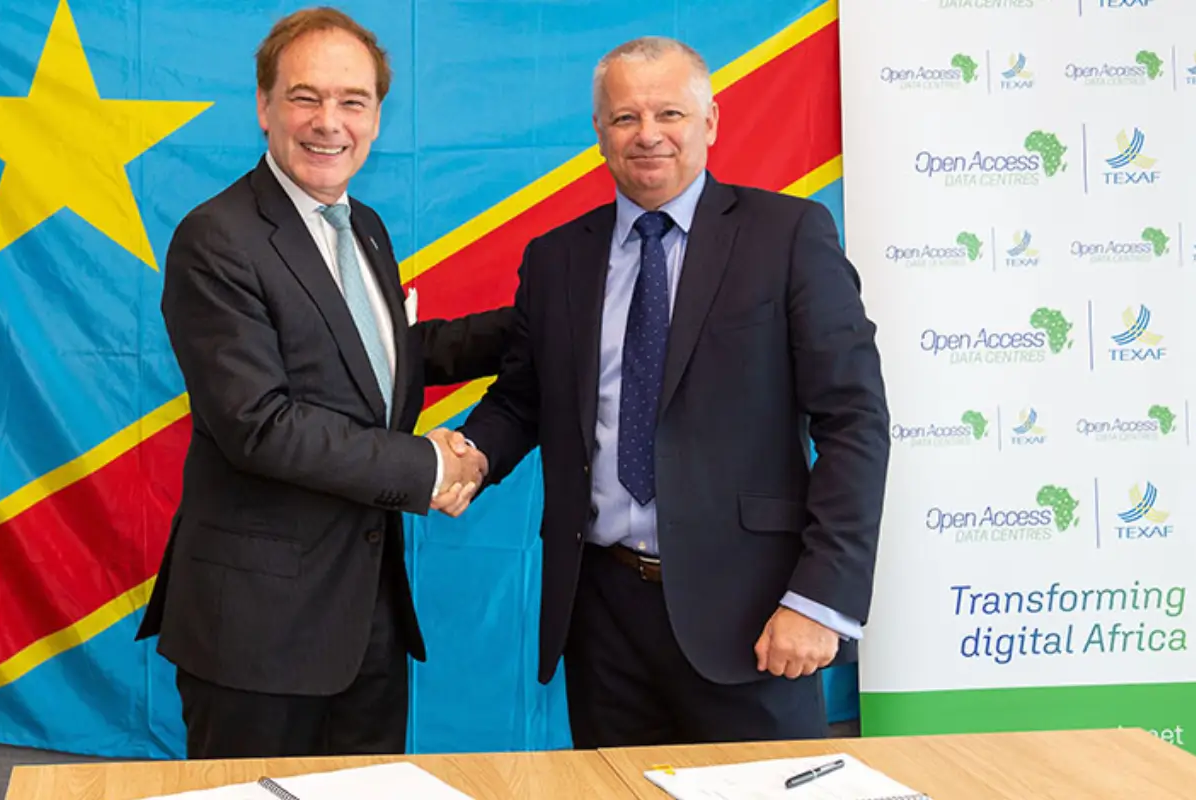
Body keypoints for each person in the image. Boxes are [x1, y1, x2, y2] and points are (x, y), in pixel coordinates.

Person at [444, 36, 890, 745]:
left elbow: (854, 421)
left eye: (669, 114)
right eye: (625, 117)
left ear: (710, 122)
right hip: (601, 616)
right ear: (599, 132)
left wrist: (820, 599)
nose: (647, 134)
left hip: (756, 616)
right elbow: (526, 396)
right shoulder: (556, 257)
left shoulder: (788, 235)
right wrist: (471, 455)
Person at [135, 7, 505, 759]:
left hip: (368, 617)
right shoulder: (218, 237)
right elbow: (259, 423)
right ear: (264, 106)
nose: (328, 122)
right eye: (304, 97)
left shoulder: (363, 225)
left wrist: (536, 324)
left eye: (352, 101)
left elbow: (379, 359)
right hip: (258, 631)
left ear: (376, 116)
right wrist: (428, 466)